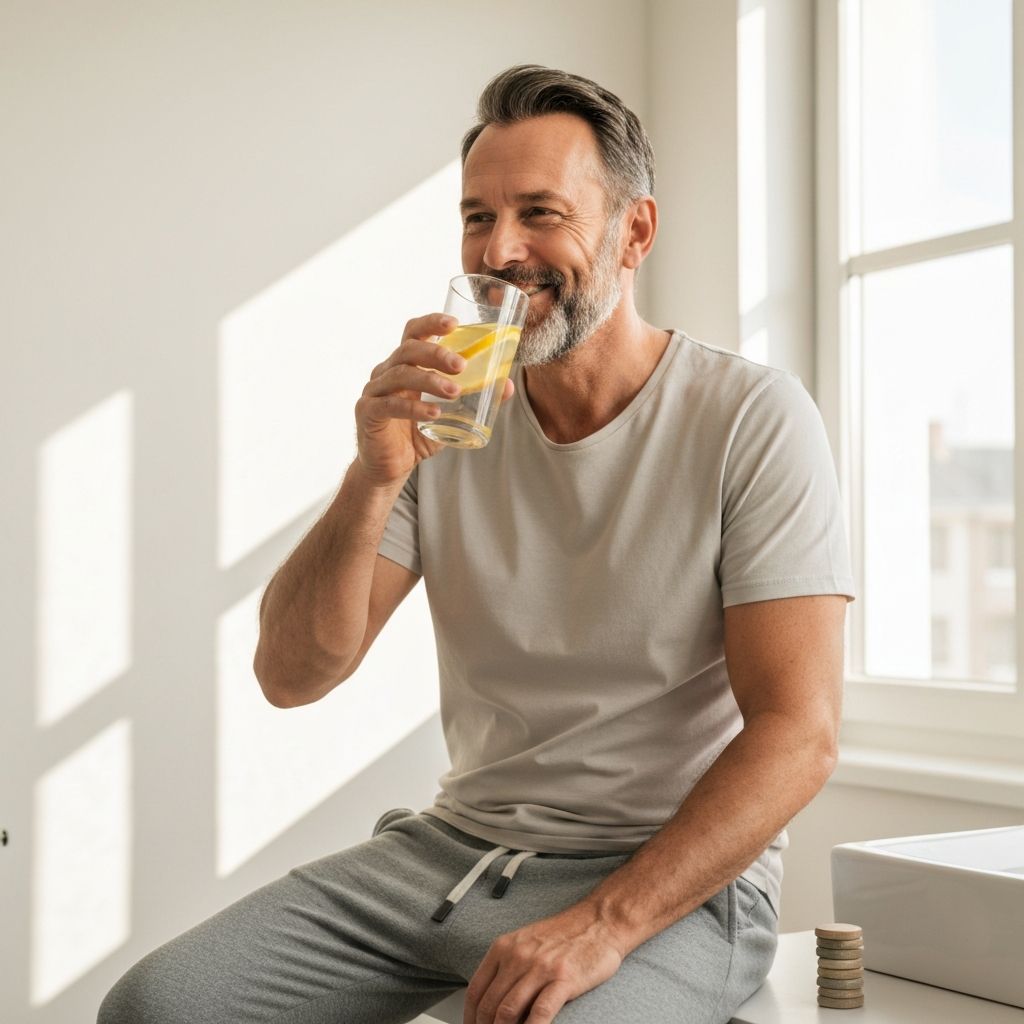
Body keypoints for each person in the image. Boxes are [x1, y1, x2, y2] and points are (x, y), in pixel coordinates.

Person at [99, 64, 855, 1024]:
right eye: (475, 218)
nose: (500, 251)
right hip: (451, 854)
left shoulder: (750, 417)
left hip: (663, 880)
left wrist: (604, 925)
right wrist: (374, 473)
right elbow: (292, 675)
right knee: (157, 1006)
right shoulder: (445, 418)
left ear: (635, 232)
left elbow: (800, 732)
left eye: (541, 213)